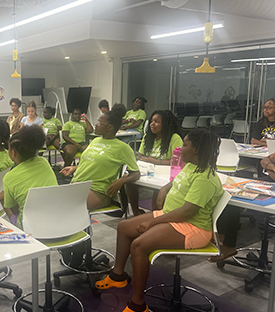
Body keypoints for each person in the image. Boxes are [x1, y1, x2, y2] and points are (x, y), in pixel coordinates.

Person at [95, 129, 223, 312]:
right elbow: (177, 181)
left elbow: (186, 213)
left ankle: (138, 304)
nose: (180, 147)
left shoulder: (206, 178)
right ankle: (118, 276)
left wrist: (154, 222)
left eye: (185, 144)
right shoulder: (192, 165)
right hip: (173, 216)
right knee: (124, 227)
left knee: (139, 245)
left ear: (197, 149)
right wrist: (164, 188)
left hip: (192, 228)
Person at [61, 105, 140, 211]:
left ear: (110, 128)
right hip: (78, 184)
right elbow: (91, 161)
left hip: (98, 191)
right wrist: (74, 168)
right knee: (56, 204)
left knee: (65, 207)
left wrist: (121, 181)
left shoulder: (123, 148)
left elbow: (136, 173)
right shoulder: (95, 141)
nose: (96, 125)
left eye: (99, 123)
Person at [126, 110, 184, 215]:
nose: (152, 124)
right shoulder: (148, 136)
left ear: (165, 124)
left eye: (157, 122)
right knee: (129, 181)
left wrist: (155, 161)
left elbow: (177, 162)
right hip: (148, 171)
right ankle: (136, 211)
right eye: (152, 121)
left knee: (156, 203)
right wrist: (153, 162)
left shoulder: (174, 138)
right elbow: (141, 156)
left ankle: (155, 216)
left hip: (165, 174)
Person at [3, 125, 58, 229]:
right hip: (54, 220)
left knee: (6, 203)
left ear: (13, 153)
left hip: (29, 227)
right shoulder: (44, 162)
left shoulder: (9, 177)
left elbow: (14, 210)